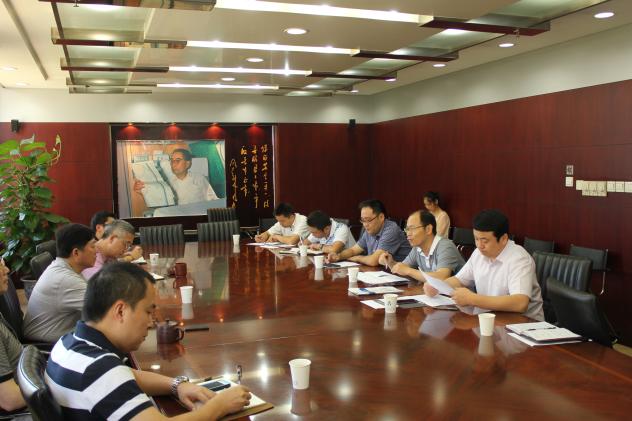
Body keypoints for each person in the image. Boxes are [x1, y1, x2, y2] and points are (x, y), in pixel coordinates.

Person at [46, 262, 251, 420]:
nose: (152, 322)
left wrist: (177, 386)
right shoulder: (99, 369)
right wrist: (219, 405)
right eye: (148, 311)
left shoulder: (68, 343)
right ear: (120, 311)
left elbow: (128, 375)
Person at [424, 209, 544, 320]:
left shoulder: (519, 259)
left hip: (521, 325)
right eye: (476, 239)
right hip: (488, 320)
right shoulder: (479, 253)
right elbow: (459, 280)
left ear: (503, 239)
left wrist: (472, 299)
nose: (479, 245)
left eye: (484, 240)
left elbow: (520, 303)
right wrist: (438, 286)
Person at [23, 224, 97, 343]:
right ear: (76, 253)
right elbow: (105, 309)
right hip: (45, 344)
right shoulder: (65, 279)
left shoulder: (65, 267)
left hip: (58, 334)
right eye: (93, 246)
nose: (96, 251)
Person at [379, 210, 464, 282]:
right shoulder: (417, 248)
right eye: (407, 229)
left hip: (459, 295)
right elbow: (403, 268)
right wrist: (391, 262)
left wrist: (408, 271)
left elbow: (442, 277)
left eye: (412, 228)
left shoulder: (445, 246)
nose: (408, 233)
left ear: (428, 229)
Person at [328, 199, 411, 266]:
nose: (365, 224)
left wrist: (357, 258)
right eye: (363, 220)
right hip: (382, 272)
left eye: (368, 220)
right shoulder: (370, 230)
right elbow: (353, 250)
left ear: (381, 217)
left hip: (401, 276)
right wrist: (338, 256)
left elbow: (373, 261)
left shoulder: (391, 230)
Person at [0, 259, 30, 419]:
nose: (7, 270)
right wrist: (56, 387)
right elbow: (9, 400)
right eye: (0, 266)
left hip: (27, 381)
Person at [134, 148, 218, 205]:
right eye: (172, 161)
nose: (173, 164)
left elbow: (213, 201)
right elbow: (158, 201)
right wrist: (142, 191)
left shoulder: (199, 179)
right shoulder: (168, 182)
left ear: (188, 164)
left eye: (178, 160)